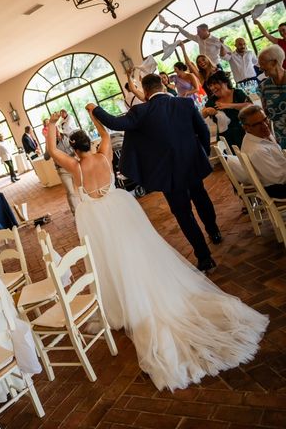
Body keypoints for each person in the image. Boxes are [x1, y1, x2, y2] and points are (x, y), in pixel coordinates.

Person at [46, 105, 268, 391]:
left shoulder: (76, 167)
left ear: (75, 150)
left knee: (109, 261)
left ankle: (126, 302)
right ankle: (150, 287)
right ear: (89, 142)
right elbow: (105, 130)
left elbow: (52, 151)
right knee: (139, 250)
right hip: (120, 207)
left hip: (97, 219)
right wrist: (93, 114)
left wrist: (52, 124)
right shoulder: (103, 154)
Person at [92, 74, 221, 273]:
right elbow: (203, 131)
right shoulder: (184, 104)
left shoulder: (140, 111)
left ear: (145, 91)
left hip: (167, 172)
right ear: (162, 86)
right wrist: (198, 155)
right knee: (201, 197)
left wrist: (95, 109)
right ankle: (214, 232)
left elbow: (115, 124)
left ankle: (204, 257)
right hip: (191, 164)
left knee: (183, 213)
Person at [239, 105, 286, 199]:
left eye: (265, 119)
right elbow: (279, 178)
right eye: (257, 124)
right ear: (246, 128)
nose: (265, 125)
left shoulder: (255, 136)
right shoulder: (257, 150)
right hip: (278, 188)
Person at [203, 71, 252, 149]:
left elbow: (250, 106)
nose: (212, 88)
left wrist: (229, 105)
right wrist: (207, 111)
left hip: (244, 133)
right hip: (224, 138)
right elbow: (201, 115)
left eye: (215, 83)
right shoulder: (212, 100)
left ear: (225, 82)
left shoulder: (237, 93)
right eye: (210, 85)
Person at [43, 126, 80, 214]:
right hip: (63, 170)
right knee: (71, 192)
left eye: (55, 129)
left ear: (58, 129)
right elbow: (46, 157)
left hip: (75, 167)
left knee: (81, 189)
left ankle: (85, 209)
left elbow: (76, 148)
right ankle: (76, 213)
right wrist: (48, 145)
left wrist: (75, 145)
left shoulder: (68, 136)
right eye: (51, 132)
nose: (54, 132)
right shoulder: (50, 143)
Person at [258, 44, 286, 148]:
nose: (260, 68)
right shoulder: (264, 87)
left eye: (262, 64)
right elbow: (265, 113)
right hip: (281, 139)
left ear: (274, 62)